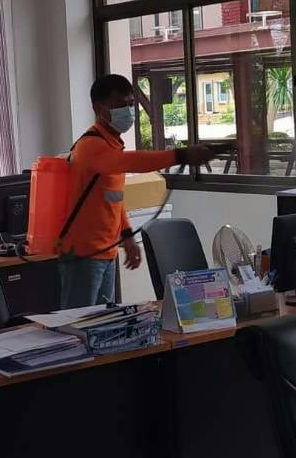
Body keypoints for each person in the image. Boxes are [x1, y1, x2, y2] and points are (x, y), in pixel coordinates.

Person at [55, 74, 214, 308]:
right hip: (83, 255)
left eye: (131, 104)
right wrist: (180, 155)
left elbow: (113, 199)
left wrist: (127, 236)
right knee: (77, 322)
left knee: (104, 321)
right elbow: (134, 162)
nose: (128, 111)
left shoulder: (111, 144)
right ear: (99, 108)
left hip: (106, 251)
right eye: (120, 105)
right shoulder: (90, 146)